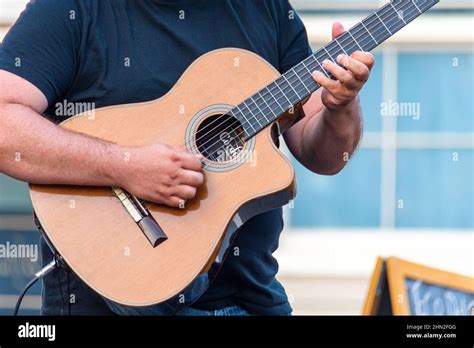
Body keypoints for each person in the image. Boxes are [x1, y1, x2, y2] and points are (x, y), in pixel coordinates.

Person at [0, 0, 374, 316]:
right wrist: (125, 165)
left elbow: (322, 154)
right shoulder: (72, 8)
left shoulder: (267, 8)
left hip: (251, 299)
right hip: (106, 305)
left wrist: (340, 105)